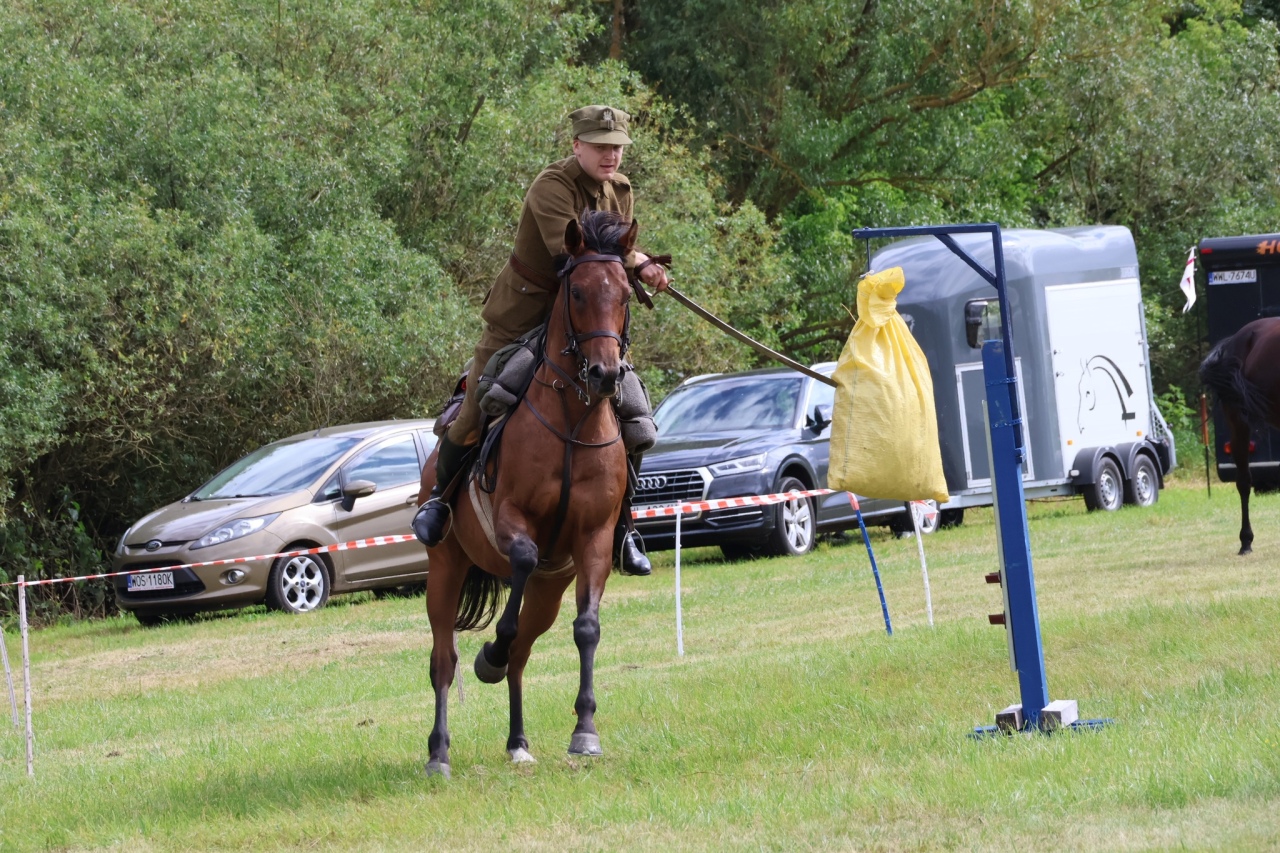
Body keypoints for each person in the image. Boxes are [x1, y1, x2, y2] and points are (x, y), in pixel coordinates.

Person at [413, 105, 669, 575]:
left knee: (634, 417)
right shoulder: (550, 187)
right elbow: (577, 248)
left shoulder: (621, 189)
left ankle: (625, 527)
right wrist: (642, 260)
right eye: (600, 146)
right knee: (479, 404)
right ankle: (439, 502)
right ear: (577, 146)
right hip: (524, 314)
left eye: (616, 148)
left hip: (587, 320)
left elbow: (612, 259)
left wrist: (636, 265)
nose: (611, 155)